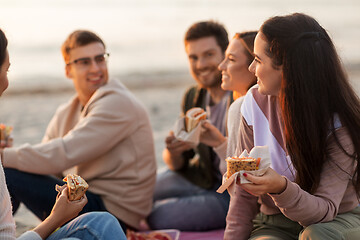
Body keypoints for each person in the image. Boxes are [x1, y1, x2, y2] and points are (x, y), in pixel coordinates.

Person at [0, 29, 157, 232]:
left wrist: (4, 156)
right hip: (80, 199)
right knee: (12, 171)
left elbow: (62, 153)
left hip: (114, 212)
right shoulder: (68, 110)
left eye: (100, 59)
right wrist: (8, 155)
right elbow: (46, 160)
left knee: (9, 172)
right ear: (68, 70)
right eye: (84, 62)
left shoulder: (119, 102)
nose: (95, 68)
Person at [224, 13, 360, 240]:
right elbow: (243, 193)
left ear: (286, 68)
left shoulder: (340, 123)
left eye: (257, 60)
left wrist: (280, 188)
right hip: (275, 222)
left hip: (336, 220)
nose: (250, 69)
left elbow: (323, 211)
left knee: (313, 235)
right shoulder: (253, 103)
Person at [147, 20, 232, 231]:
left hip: (230, 193)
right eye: (193, 57)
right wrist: (173, 151)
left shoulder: (240, 95)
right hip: (201, 177)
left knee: (158, 217)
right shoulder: (194, 96)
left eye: (209, 55)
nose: (201, 64)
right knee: (138, 194)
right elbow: (178, 164)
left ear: (225, 54)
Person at [199, 31, 257, 175]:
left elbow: (237, 174)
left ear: (254, 65)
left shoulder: (242, 107)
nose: (221, 66)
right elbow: (253, 164)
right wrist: (220, 143)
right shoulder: (271, 101)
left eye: (231, 59)